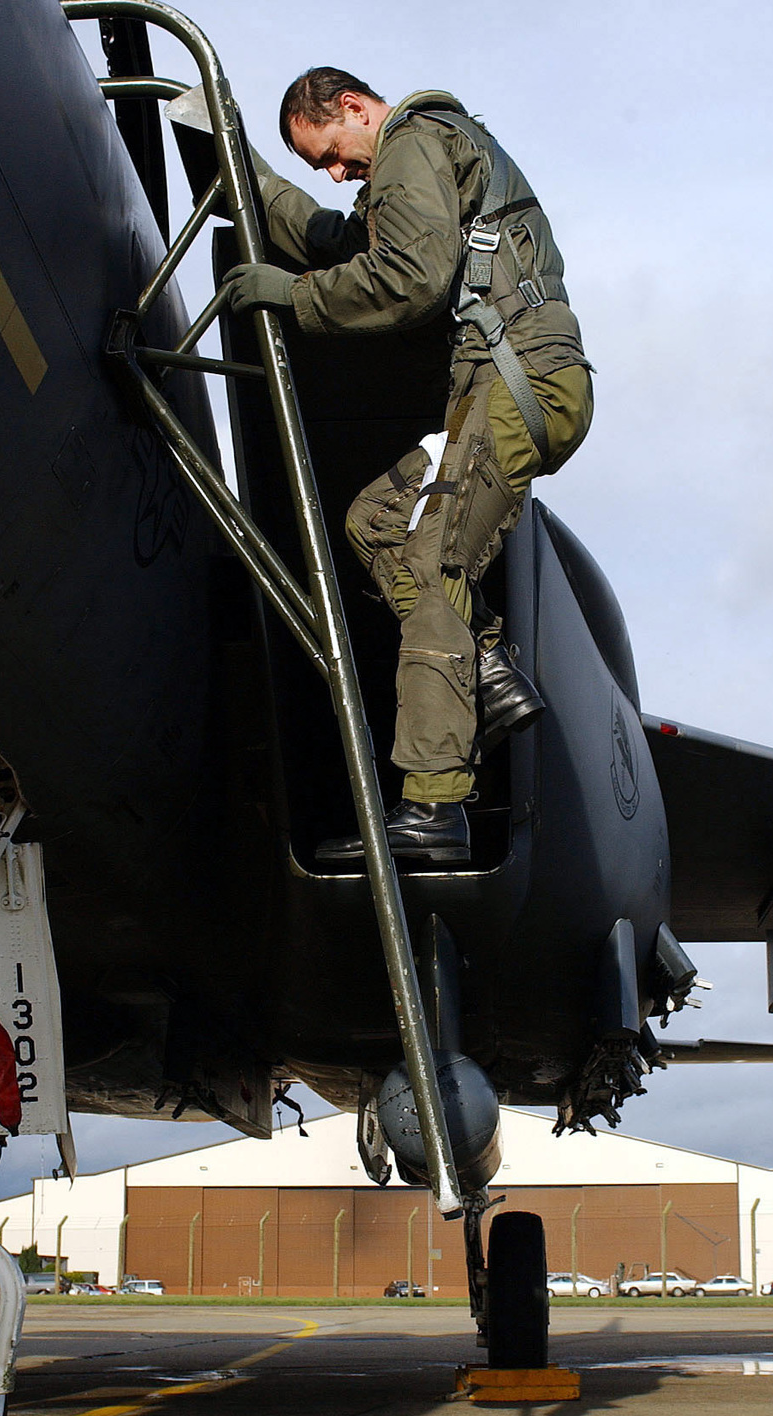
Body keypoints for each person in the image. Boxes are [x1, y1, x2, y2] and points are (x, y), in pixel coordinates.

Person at [226, 69, 593, 862]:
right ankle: (486, 664)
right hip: (494, 390)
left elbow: (409, 279)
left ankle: (434, 809)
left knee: (431, 564)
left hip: (515, 382)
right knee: (375, 521)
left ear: (354, 108)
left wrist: (295, 299)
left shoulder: (412, 143)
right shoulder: (416, 163)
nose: (333, 173)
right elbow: (339, 242)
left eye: (329, 153)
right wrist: (236, 168)